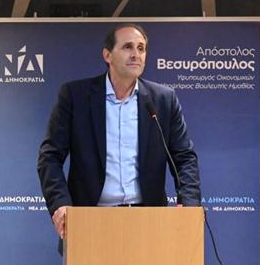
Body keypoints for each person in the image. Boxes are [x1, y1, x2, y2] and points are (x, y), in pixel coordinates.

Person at [37, 23, 201, 239]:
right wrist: (60, 204)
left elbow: (184, 157)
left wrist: (188, 203)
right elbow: (50, 157)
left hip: (149, 221)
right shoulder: (75, 96)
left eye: (141, 48)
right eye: (127, 47)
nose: (136, 55)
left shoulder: (163, 100)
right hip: (90, 220)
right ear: (107, 55)